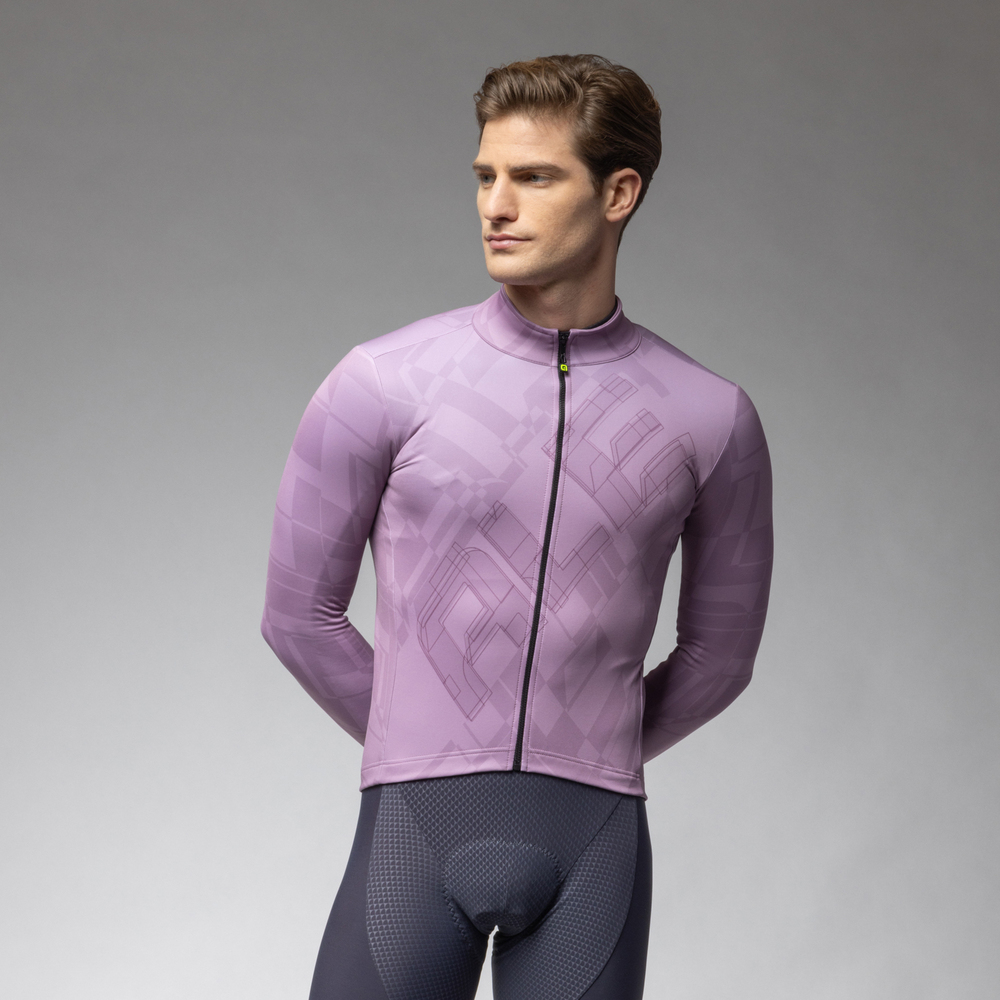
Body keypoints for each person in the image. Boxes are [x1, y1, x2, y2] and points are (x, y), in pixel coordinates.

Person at [261, 54, 773, 1000]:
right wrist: (428, 740)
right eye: (485, 176)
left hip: (595, 846)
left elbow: (720, 657)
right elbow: (298, 616)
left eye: (534, 177)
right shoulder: (382, 383)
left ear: (618, 193)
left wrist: (591, 748)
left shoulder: (710, 417)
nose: (496, 205)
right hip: (414, 833)